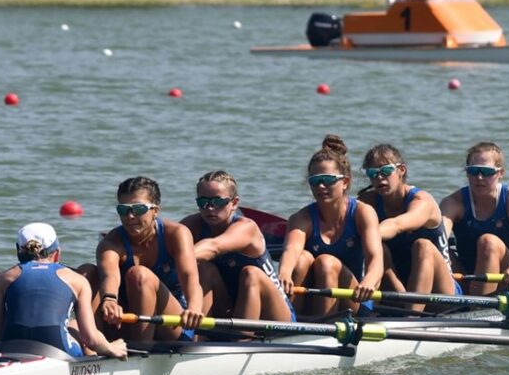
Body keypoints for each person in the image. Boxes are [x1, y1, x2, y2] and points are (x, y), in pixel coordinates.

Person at [278, 135, 384, 317]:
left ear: (345, 182)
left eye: (327, 180)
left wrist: (369, 281)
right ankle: (291, 323)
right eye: (315, 181)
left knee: (326, 262)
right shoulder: (301, 218)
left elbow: (376, 261)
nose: (320, 186)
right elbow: (291, 251)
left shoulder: (362, 213)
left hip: (354, 298)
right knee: (302, 258)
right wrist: (284, 272)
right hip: (312, 297)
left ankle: (324, 328)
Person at [0, 223, 127, 360]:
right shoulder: (77, 280)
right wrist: (111, 348)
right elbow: (91, 339)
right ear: (57, 253)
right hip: (57, 350)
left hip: (8, 349)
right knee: (74, 325)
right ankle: (90, 363)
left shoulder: (4, 278)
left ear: (18, 251)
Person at [92, 177, 204, 341]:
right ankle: (92, 348)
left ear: (155, 210)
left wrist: (194, 308)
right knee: (87, 273)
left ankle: (141, 349)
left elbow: (190, 278)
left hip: (172, 324)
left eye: (138, 209)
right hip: (129, 322)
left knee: (139, 275)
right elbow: (110, 276)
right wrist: (109, 299)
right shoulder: (111, 242)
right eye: (123, 210)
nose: (130, 216)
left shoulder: (176, 234)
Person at [181, 171, 295, 323]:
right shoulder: (192, 224)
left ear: (234, 203)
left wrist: (177, 257)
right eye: (203, 202)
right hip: (229, 307)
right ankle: (196, 335)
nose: (209, 208)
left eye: (218, 202)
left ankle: (242, 339)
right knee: (205, 269)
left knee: (251, 273)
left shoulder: (246, 228)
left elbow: (213, 247)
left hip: (274, 314)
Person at [357, 144, 457, 310]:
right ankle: (401, 309)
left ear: (401, 170)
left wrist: (367, 235)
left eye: (386, 171)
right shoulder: (368, 202)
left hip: (442, 291)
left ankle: (410, 318)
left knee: (422, 246)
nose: (379, 178)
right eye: (373, 173)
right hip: (399, 287)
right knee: (378, 248)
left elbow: (396, 225)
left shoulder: (422, 201)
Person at [441, 142, 509, 296]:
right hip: (465, 275)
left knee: (488, 241)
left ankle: (478, 308)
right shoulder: (453, 202)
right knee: (429, 247)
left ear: (500, 173)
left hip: (507, 278)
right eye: (473, 171)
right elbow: (439, 241)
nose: (479, 177)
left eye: (487, 171)